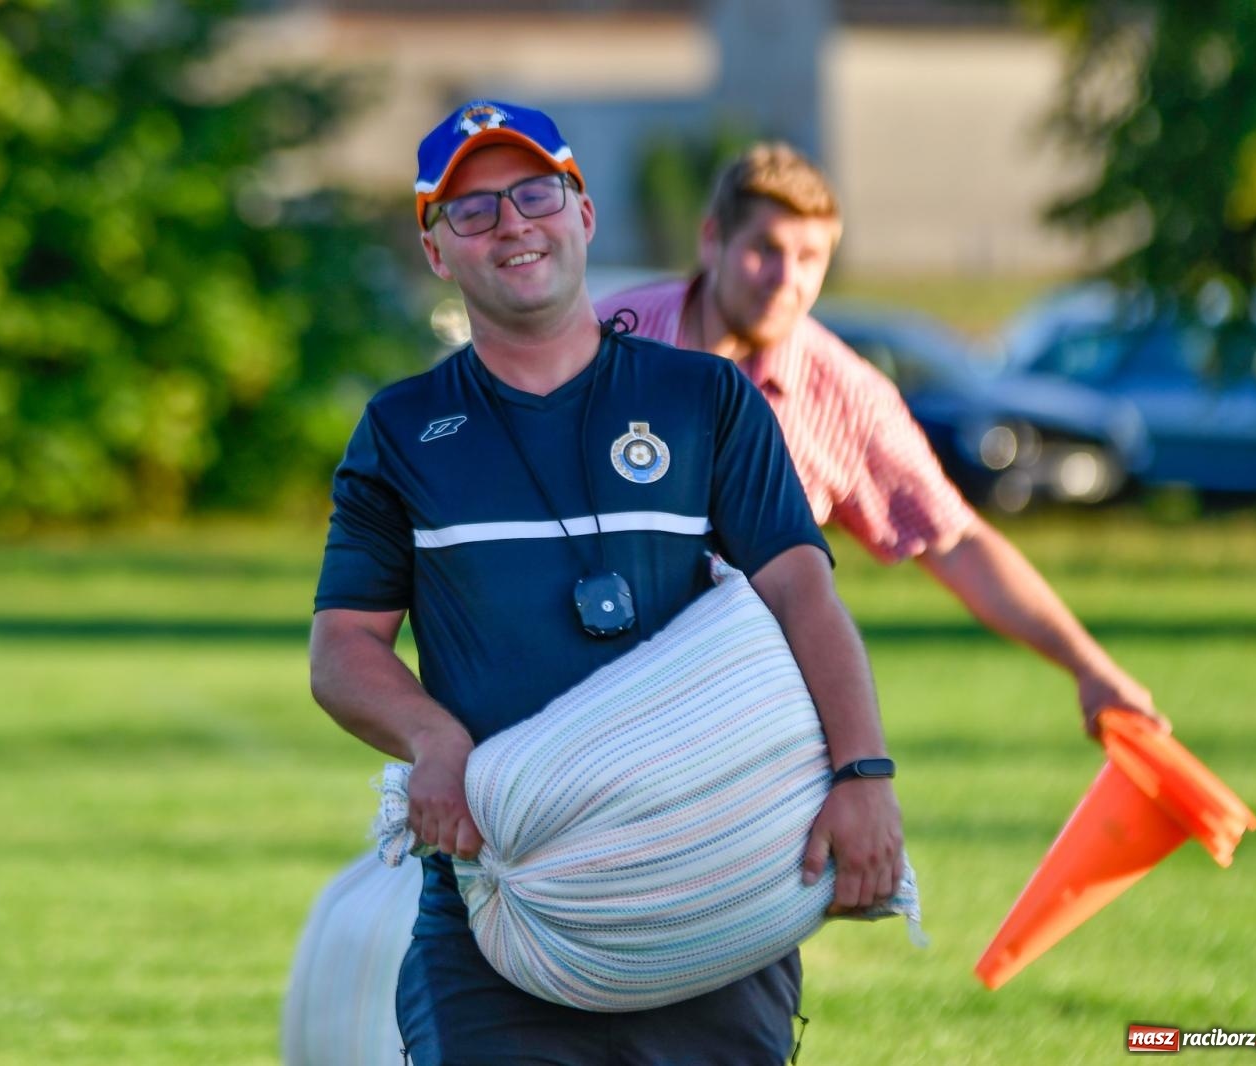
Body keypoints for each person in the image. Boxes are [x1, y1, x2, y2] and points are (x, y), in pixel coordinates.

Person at [310, 102, 903, 1066]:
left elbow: (803, 597)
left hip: (706, 890)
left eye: (536, 194)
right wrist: (432, 740)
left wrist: (862, 773)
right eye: (472, 209)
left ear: (583, 214)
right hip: (500, 908)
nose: (512, 223)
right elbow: (341, 649)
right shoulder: (402, 430)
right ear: (435, 250)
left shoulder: (705, 399)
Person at [596, 142, 1161, 740]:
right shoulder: (608, 343)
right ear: (713, 239)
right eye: (766, 249)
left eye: (809, 257)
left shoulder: (846, 396)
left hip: (747, 719)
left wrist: (1090, 667)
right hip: (598, 696)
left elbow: (956, 542)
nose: (786, 280)